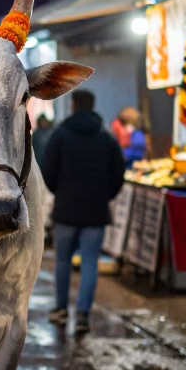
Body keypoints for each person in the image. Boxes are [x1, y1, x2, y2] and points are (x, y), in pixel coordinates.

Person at [41, 90, 125, 334]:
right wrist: (105, 195)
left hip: (66, 209)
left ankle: (60, 310)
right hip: (95, 212)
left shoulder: (61, 135)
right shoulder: (106, 137)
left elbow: (47, 169)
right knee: (90, 262)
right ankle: (83, 315)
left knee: (63, 261)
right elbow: (119, 173)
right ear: (93, 105)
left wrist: (59, 192)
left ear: (74, 105)